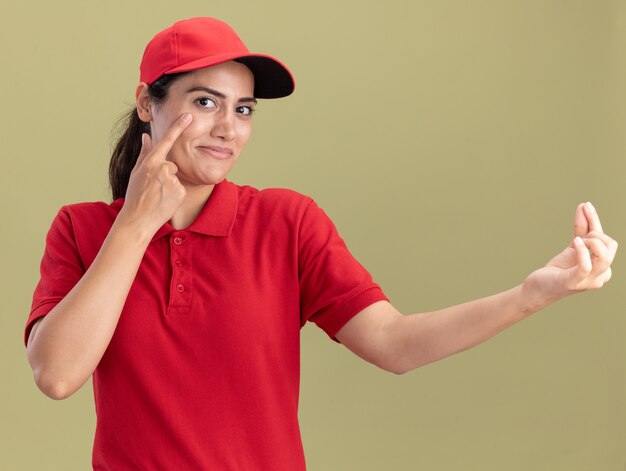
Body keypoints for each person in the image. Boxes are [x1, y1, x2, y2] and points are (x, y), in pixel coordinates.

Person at [24, 16, 617, 471]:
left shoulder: (287, 222)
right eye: (204, 102)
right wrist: (133, 226)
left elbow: (394, 344)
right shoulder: (82, 230)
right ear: (147, 104)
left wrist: (531, 295)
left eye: (244, 109)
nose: (228, 128)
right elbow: (56, 376)